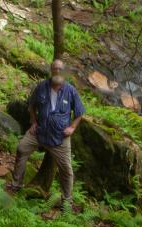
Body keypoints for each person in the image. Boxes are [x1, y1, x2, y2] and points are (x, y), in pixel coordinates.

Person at [7, 59, 86, 212]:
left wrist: (72, 128)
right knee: (22, 148)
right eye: (54, 69)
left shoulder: (70, 91)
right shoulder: (42, 87)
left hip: (60, 138)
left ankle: (67, 201)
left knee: (67, 170)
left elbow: (79, 112)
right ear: (51, 70)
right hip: (40, 132)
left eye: (60, 69)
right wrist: (33, 122)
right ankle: (16, 185)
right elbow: (31, 105)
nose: (57, 71)